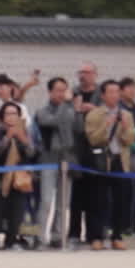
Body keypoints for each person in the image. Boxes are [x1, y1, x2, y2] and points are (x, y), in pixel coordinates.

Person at [83, 79, 135, 250]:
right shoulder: (94, 114)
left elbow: (129, 141)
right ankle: (95, 236)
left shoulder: (126, 115)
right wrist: (107, 126)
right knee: (98, 200)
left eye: (116, 92)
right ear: (103, 95)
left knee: (121, 200)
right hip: (101, 161)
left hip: (120, 160)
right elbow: (93, 139)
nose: (114, 95)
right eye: (110, 92)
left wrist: (126, 129)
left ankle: (117, 235)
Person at [34, 76, 78, 248]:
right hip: (48, 158)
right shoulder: (42, 110)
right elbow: (52, 121)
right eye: (58, 90)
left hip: (67, 158)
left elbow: (77, 129)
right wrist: (66, 105)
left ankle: (57, 235)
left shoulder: (70, 109)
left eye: (64, 90)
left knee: (63, 201)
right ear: (50, 92)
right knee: (46, 200)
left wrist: (76, 111)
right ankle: (39, 237)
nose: (62, 94)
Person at [0, 102, 37, 249]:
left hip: (19, 178)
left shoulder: (25, 133)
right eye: (8, 114)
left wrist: (23, 140)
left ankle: (12, 239)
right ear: (2, 117)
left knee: (16, 210)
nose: (11, 117)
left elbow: (33, 153)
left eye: (14, 113)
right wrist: (7, 138)